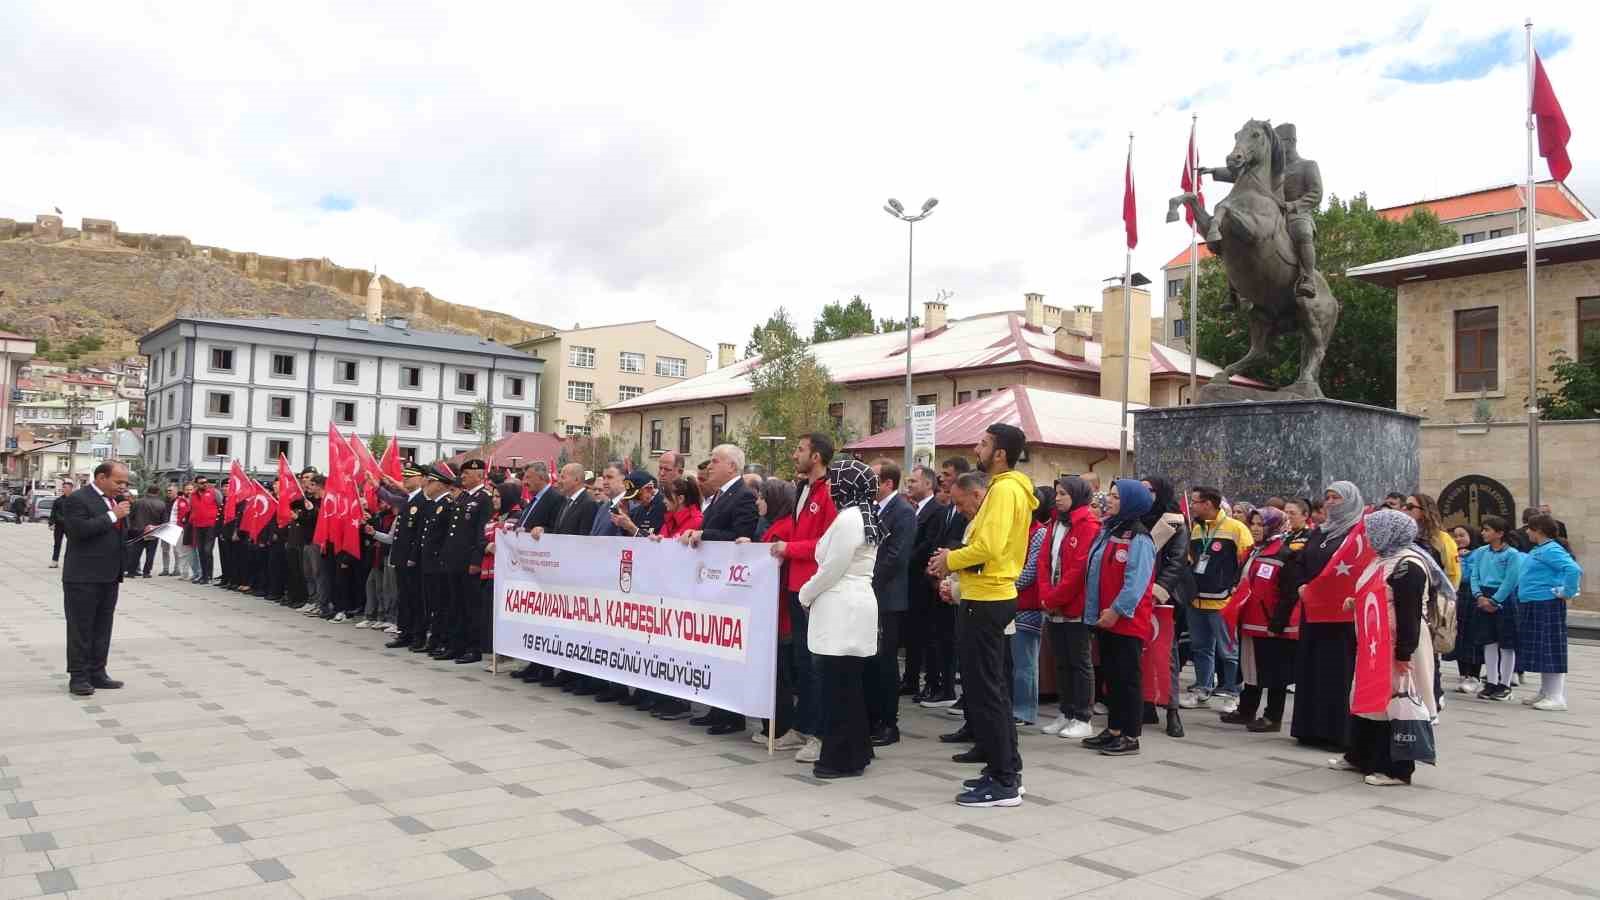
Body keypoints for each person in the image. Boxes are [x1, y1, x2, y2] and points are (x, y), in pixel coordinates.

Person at [929, 424, 1037, 808]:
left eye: (984, 444)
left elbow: (989, 545)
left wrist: (950, 560)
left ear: (1001, 453)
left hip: (988, 597)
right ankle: (1002, 768)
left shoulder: (1006, 489)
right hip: (983, 594)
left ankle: (1005, 780)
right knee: (986, 688)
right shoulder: (1003, 487)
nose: (977, 448)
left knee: (988, 690)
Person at [1331, 509, 1439, 787]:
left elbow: (1409, 613)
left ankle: (1397, 769)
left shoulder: (1407, 565)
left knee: (1394, 700)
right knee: (1369, 696)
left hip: (1396, 645)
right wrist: (1356, 604)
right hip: (1375, 642)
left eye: (1372, 530)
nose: (1367, 536)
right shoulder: (1384, 558)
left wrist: (1404, 653)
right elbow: (1379, 597)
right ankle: (1361, 755)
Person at [799, 458, 883, 779]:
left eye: (836, 481)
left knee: (837, 687)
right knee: (848, 686)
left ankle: (839, 758)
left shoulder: (850, 518)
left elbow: (833, 567)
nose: (831, 487)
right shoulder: (861, 514)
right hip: (852, 603)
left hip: (842, 604)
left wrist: (805, 593)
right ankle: (856, 751)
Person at [679, 444, 760, 735]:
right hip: (711, 584)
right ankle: (718, 708)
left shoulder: (743, 496)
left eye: (716, 461)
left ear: (733, 467)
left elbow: (742, 536)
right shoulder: (718, 497)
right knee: (715, 652)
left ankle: (733, 714)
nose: (709, 466)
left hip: (731, 585)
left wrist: (704, 534)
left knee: (730, 653)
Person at [770, 434, 838, 762]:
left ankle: (820, 734)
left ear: (817, 456)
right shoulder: (803, 489)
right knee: (802, 662)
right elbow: (796, 532)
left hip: (816, 586)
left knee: (816, 664)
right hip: (797, 585)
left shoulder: (829, 492)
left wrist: (789, 548)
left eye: (800, 449)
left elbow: (825, 544)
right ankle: (802, 726)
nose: (794, 454)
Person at [1079, 480, 1157, 757]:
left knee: (1128, 678)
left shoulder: (1139, 538)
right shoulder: (1110, 529)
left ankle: (1131, 734)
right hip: (1105, 617)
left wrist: (1115, 611)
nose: (1109, 501)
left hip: (1125, 620)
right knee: (1111, 676)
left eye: (1115, 497)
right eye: (1109, 496)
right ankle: (1113, 729)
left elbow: (1136, 583)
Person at [1288, 481, 1363, 750]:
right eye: (1328, 497)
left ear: (1351, 501)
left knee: (1336, 672)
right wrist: (1301, 585)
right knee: (1310, 669)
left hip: (1341, 616)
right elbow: (1299, 563)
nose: (1330, 502)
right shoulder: (1320, 532)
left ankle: (1335, 733)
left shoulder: (1358, 535)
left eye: (1337, 498)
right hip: (1313, 610)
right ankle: (1309, 729)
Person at [60, 461, 133, 697]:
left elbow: (116, 532)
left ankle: (98, 672)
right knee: (81, 629)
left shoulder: (115, 502)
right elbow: (78, 531)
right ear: (101, 477)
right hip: (83, 576)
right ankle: (79, 676)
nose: (122, 486)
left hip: (109, 575)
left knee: (103, 627)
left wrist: (147, 530)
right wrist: (113, 515)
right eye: (118, 481)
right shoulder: (78, 499)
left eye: (125, 482)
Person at [1223, 506, 1299, 732]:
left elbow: (1289, 593)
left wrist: (1278, 622)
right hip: (1249, 619)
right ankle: (1247, 709)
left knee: (1275, 673)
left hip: (1269, 623)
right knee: (1250, 668)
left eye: (1261, 524)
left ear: (1273, 526)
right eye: (1253, 523)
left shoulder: (1284, 553)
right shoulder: (1254, 551)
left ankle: (1273, 717)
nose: (1255, 528)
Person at [1036, 476, 1100, 740]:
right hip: (1051, 604)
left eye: (1063, 493)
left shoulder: (1088, 524)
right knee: (1060, 662)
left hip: (1075, 605)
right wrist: (1045, 595)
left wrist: (1053, 598)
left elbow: (1078, 570)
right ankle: (1066, 710)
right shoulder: (1054, 522)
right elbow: (1043, 560)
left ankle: (1083, 716)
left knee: (1079, 662)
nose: (1058, 498)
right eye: (1056, 493)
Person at [1181, 486, 1252, 713]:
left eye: (1195, 502)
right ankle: (1202, 688)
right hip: (1196, 600)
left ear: (1208, 504)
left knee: (1228, 650)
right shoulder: (1196, 529)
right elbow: (1192, 561)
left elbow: (1247, 562)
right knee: (1201, 648)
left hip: (1222, 602)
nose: (1192, 506)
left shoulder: (1236, 528)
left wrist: (1232, 590)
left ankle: (1232, 693)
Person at [740, 478, 800, 745]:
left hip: (780, 612)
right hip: (770, 610)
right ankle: (772, 726)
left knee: (780, 673)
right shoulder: (776, 525)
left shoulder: (785, 527)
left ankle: (782, 728)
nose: (758, 501)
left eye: (762, 497)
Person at [1505, 515, 1582, 711]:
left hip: (1546, 604)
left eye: (1530, 529)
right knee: (1542, 650)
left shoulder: (1551, 549)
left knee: (1550, 648)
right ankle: (1546, 691)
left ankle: (1556, 696)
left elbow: (1573, 569)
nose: (1527, 532)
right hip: (1534, 603)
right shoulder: (1539, 549)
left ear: (1539, 530)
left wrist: (1567, 592)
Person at [866, 459, 915, 747]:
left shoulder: (902, 512)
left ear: (887, 483)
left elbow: (895, 557)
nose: (868, 483)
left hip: (887, 597)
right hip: (869, 596)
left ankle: (888, 723)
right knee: (871, 661)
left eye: (873, 478)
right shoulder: (870, 509)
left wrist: (866, 581)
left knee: (885, 663)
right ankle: (872, 717)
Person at [1141, 475, 1193, 738]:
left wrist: (1156, 593)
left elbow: (1176, 563)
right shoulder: (1135, 518)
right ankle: (1146, 703)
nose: (1144, 494)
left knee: (1166, 655)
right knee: (1141, 652)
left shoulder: (1174, 522)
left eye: (1148, 490)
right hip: (1136, 596)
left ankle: (1172, 710)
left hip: (1165, 598)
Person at [921, 457, 971, 710]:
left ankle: (951, 687)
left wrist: (946, 567)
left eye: (947, 474)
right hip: (941, 580)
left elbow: (959, 544)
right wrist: (934, 569)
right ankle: (941, 685)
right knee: (938, 635)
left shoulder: (966, 512)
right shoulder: (947, 509)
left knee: (953, 639)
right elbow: (939, 542)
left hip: (958, 581)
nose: (942, 478)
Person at [1008, 485, 1055, 727]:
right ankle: (1013, 706)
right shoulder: (1018, 530)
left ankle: (1025, 711)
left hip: (1027, 606)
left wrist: (1003, 585)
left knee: (1025, 663)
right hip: (1010, 603)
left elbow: (1030, 572)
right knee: (1013, 662)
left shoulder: (1039, 533)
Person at [899, 465, 943, 701]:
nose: (909, 485)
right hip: (909, 581)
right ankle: (910, 678)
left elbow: (928, 544)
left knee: (925, 635)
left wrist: (905, 558)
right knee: (912, 634)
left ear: (928, 484)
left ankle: (930, 682)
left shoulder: (936, 510)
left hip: (923, 581)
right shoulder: (913, 509)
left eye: (914, 481)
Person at [1470, 516, 1523, 702]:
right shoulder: (1481, 552)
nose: (1483, 533)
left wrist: (1494, 600)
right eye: (1483, 529)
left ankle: (1505, 684)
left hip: (1503, 599)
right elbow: (1474, 575)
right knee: (1489, 641)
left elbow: (1510, 580)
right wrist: (1478, 596)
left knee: (1506, 643)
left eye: (1487, 529)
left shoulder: (1512, 554)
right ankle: (1491, 682)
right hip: (1483, 595)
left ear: (1500, 533)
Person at [1449, 524, 1485, 695]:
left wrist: (1462, 560)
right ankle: (1463, 674)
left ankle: (1474, 676)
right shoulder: (1453, 553)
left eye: (1462, 535)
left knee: (1473, 636)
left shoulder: (1478, 554)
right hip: (1458, 598)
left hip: (1472, 597)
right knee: (1459, 636)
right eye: (1455, 536)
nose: (1458, 539)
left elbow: (1468, 576)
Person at [124, 485, 167, 578]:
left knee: (136, 552)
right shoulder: (161, 504)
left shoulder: (138, 502)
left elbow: (131, 515)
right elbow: (164, 521)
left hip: (138, 530)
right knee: (150, 553)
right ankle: (146, 572)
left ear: (147, 491)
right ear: (158, 492)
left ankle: (131, 572)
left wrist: (131, 527)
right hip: (154, 531)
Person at [189, 475, 220, 584]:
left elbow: (220, 505)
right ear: (196, 484)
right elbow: (191, 509)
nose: (205, 484)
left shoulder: (214, 492)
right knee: (201, 551)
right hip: (198, 526)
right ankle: (204, 575)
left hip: (210, 525)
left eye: (206, 482)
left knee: (207, 551)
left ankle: (209, 576)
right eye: (202, 483)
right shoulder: (192, 495)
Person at [49, 481, 71, 568]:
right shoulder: (58, 500)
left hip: (70, 525)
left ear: (70, 488)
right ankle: (55, 561)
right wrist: (51, 523)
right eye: (63, 487)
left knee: (71, 544)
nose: (63, 489)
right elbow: (53, 512)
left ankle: (69, 561)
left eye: (65, 487)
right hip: (59, 525)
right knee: (57, 543)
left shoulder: (75, 500)